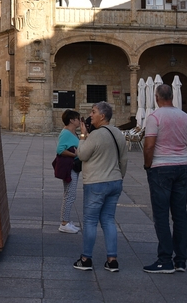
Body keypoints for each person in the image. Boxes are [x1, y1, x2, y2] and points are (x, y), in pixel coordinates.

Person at [143, 83, 187, 274]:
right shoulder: (186, 117)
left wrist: (148, 165)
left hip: (160, 168)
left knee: (161, 215)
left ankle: (165, 259)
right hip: (182, 167)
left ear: (157, 98)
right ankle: (181, 260)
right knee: (180, 215)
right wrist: (185, 161)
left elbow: (149, 145)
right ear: (172, 97)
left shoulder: (155, 117)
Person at [73, 101, 127, 272]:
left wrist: (82, 136)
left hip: (96, 182)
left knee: (90, 221)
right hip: (115, 181)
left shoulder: (95, 135)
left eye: (93, 111)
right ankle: (112, 260)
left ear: (102, 116)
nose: (90, 115)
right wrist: (119, 176)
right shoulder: (118, 133)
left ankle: (86, 258)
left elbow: (82, 154)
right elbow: (123, 160)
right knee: (109, 220)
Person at [56, 109, 82, 234]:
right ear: (72, 120)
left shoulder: (73, 132)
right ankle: (64, 223)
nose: (79, 120)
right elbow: (60, 150)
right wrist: (74, 154)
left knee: (70, 194)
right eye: (77, 118)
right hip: (69, 167)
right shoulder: (66, 133)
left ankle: (66, 221)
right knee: (69, 194)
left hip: (74, 166)